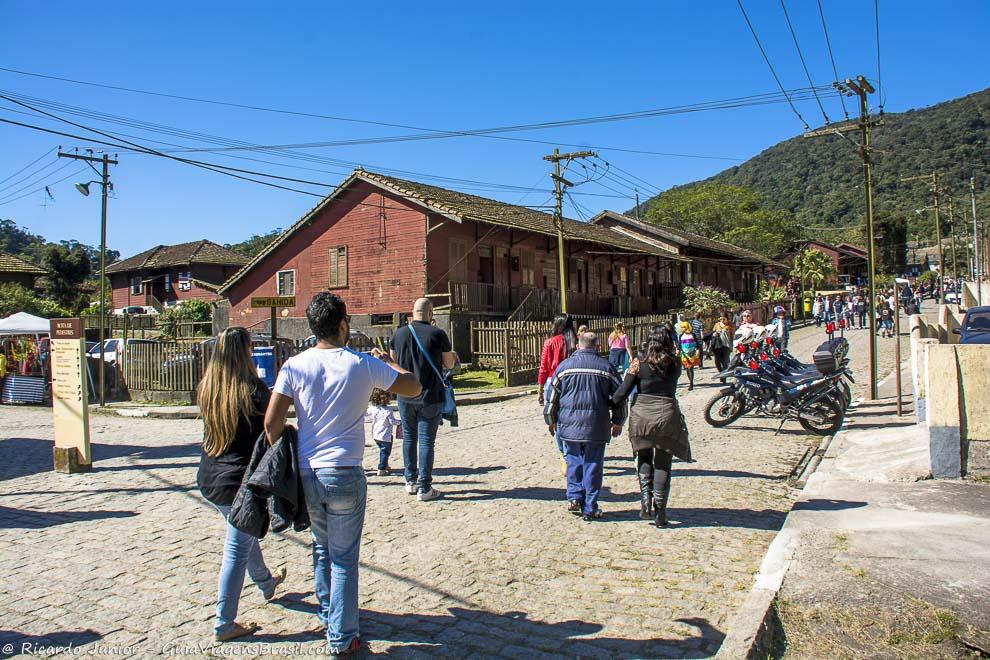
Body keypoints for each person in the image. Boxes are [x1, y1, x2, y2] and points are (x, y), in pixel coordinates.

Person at [264, 293, 421, 656]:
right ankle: (342, 635)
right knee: (345, 557)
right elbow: (413, 387)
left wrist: (287, 449)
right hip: (346, 470)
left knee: (321, 547)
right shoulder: (361, 364)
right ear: (342, 324)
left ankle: (328, 612)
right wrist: (391, 363)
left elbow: (272, 423)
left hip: (307, 471)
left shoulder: (294, 366)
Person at [196, 327, 286, 642]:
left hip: (210, 479)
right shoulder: (254, 391)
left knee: (244, 534)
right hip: (239, 483)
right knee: (237, 547)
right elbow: (275, 425)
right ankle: (224, 622)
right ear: (245, 351)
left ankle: (265, 582)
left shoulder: (208, 388)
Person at [611, 324, 690, 528]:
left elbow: (622, 392)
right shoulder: (675, 363)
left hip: (642, 415)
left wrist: (607, 405)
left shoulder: (638, 363)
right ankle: (660, 511)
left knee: (644, 457)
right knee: (664, 462)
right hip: (667, 413)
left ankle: (646, 502)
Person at [542, 332, 625, 522]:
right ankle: (590, 506)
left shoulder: (564, 367)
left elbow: (552, 395)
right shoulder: (607, 367)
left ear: (578, 346)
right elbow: (620, 396)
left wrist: (550, 419)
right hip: (596, 424)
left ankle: (574, 496)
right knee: (593, 464)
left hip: (569, 424)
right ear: (597, 347)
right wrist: (618, 420)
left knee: (573, 460)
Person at [390, 298, 456, 502]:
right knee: (427, 441)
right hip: (430, 395)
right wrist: (452, 354)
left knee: (409, 438)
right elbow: (449, 364)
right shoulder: (438, 334)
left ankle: (410, 481)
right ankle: (425, 487)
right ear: (430, 313)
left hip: (405, 395)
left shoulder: (399, 333)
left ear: (412, 313)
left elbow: (392, 362)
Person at [538, 315, 577, 474]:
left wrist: (540, 389)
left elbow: (544, 367)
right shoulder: (574, 342)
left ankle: (564, 454)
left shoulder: (550, 342)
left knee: (558, 420)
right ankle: (573, 451)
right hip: (572, 381)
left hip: (553, 381)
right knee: (573, 417)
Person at [365, 388, 402, 477]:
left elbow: (365, 414)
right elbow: (392, 421)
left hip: (376, 435)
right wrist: (400, 422)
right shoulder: (388, 410)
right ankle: (381, 469)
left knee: (382, 451)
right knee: (385, 452)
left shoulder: (373, 408)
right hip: (385, 436)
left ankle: (385, 465)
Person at [677, 322, 700, 391]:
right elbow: (679, 345)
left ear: (687, 327)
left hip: (692, 354)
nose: (682, 328)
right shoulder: (681, 335)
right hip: (684, 354)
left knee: (690, 368)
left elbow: (697, 344)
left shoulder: (693, 335)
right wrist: (678, 350)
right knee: (686, 368)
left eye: (683, 327)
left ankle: (691, 383)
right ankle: (690, 380)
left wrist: (698, 350)